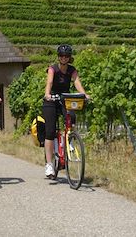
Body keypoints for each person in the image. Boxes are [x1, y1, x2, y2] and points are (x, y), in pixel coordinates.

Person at [42, 44, 90, 178]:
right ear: (58, 57)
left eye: (66, 56)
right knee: (50, 131)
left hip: (65, 98)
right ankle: (49, 164)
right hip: (51, 99)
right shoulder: (53, 69)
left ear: (69, 58)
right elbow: (49, 83)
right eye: (62, 56)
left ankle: (67, 142)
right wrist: (47, 94)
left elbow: (77, 82)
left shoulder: (72, 70)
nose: (64, 58)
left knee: (72, 118)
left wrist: (84, 94)